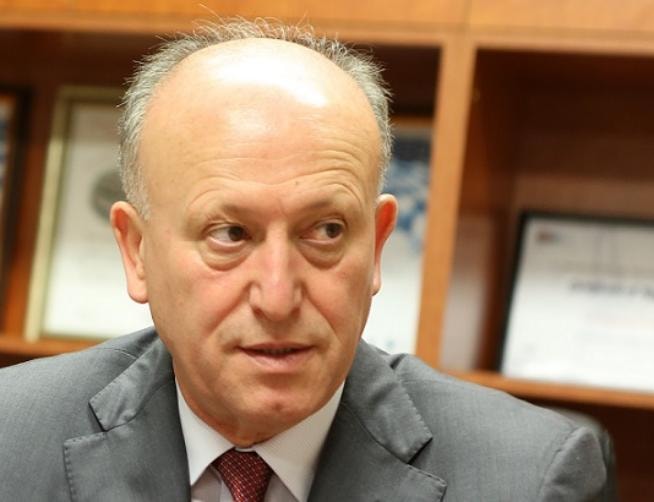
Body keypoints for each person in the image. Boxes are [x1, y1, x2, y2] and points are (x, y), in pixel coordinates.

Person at [0, 18, 614, 502]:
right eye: (230, 234)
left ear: (377, 245)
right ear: (136, 251)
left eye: (325, 231)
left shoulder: (530, 479)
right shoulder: (11, 440)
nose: (278, 297)